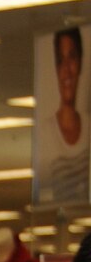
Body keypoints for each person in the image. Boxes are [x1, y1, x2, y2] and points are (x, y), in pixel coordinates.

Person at [36, 27, 89, 208]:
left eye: (72, 57)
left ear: (81, 62)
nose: (67, 70)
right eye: (61, 60)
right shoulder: (45, 134)